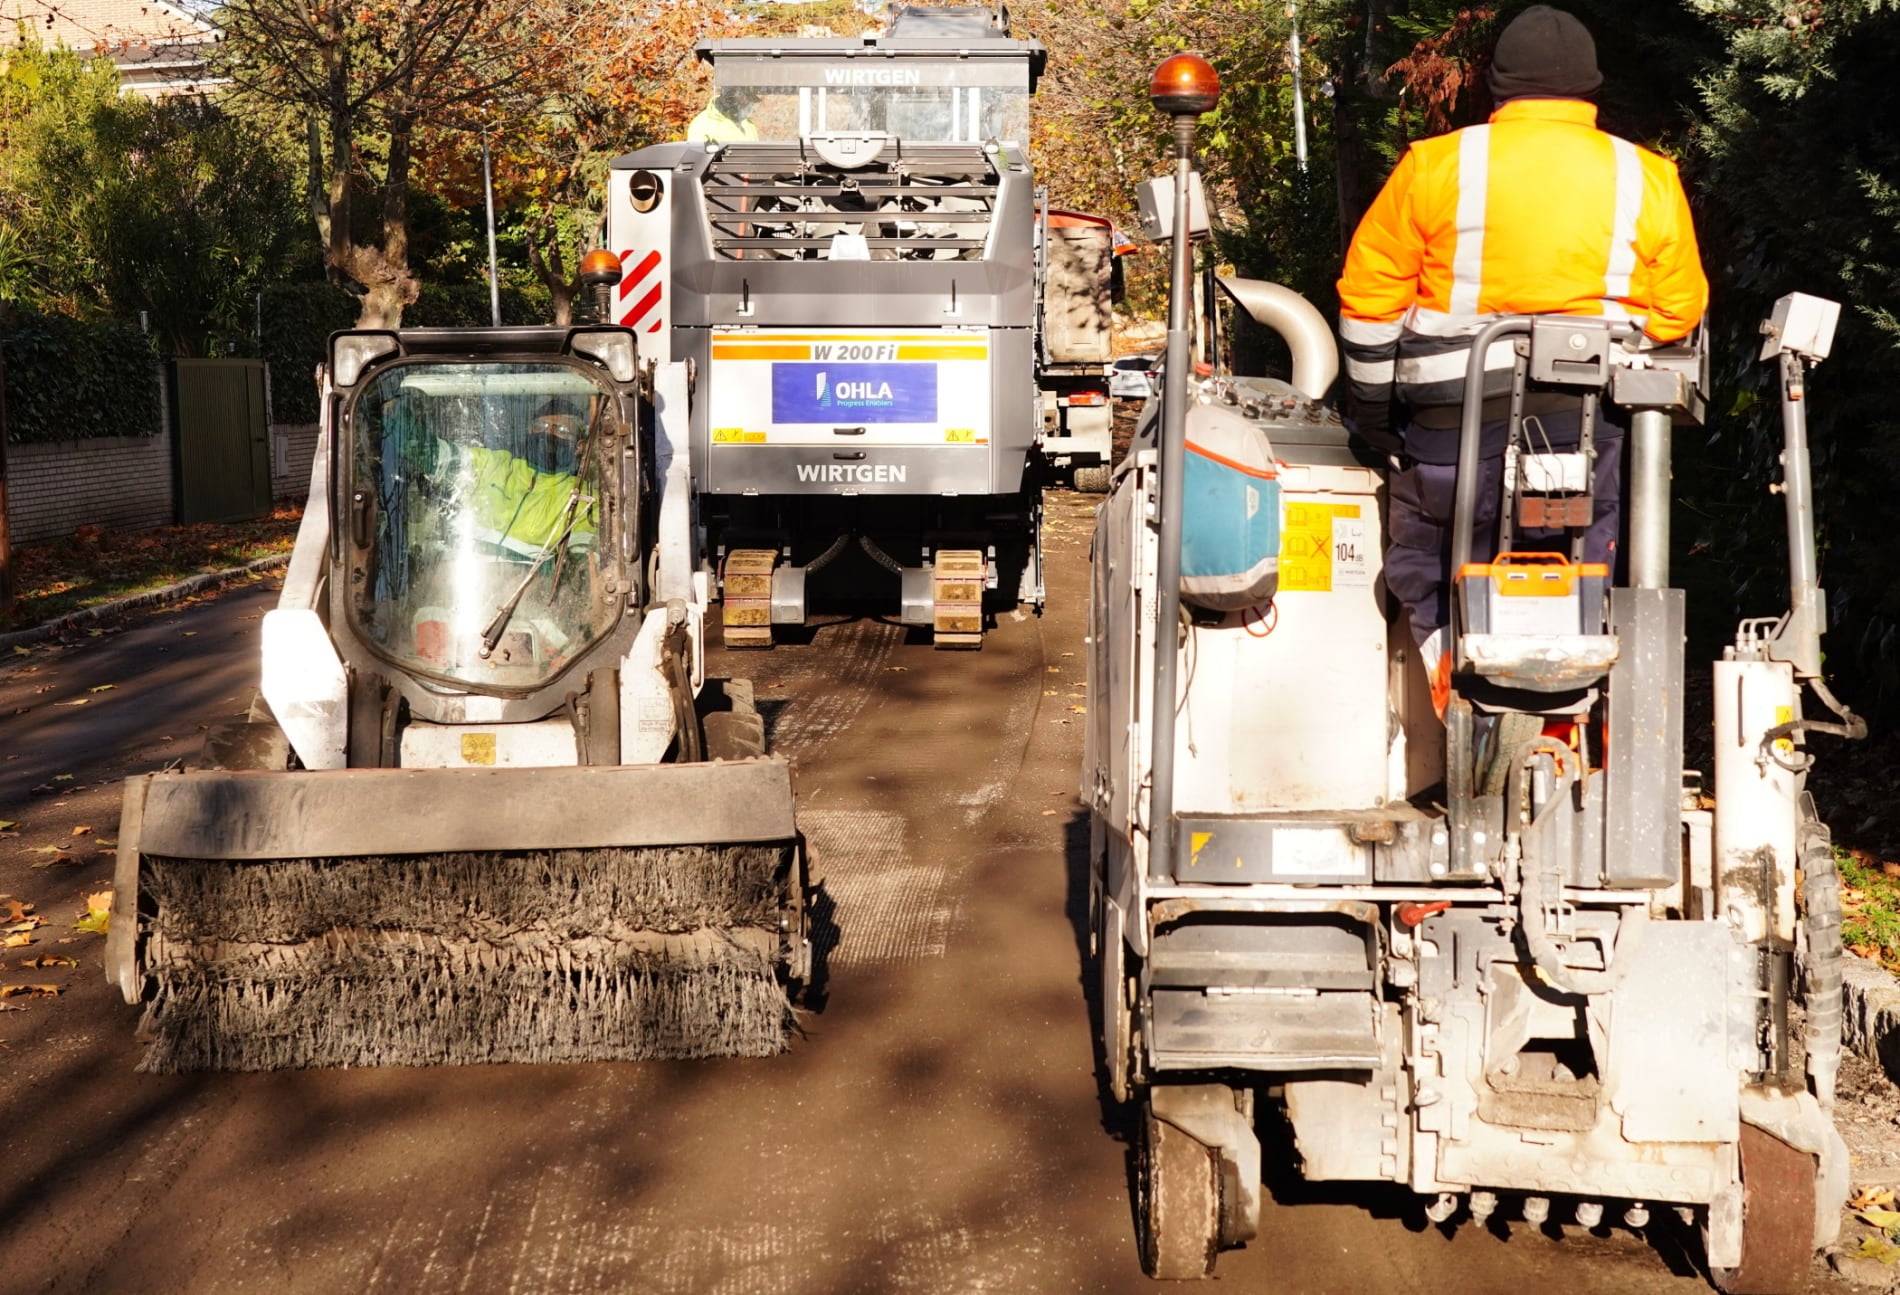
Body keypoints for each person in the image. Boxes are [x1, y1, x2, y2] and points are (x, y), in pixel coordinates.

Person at [1336, 4, 1708, 711]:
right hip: (1587, 429)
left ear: (1497, 87)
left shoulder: (1435, 166)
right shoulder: (1647, 176)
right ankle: (1574, 714)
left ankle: (1463, 710)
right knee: (1583, 559)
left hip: (1450, 430)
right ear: (1592, 89)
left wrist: (1376, 414)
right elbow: (1678, 310)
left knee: (1429, 563)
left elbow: (1369, 301)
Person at [687, 84, 762, 144]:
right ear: (732, 96)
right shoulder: (702, 126)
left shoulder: (748, 124)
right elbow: (702, 161)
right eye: (747, 98)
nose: (751, 104)